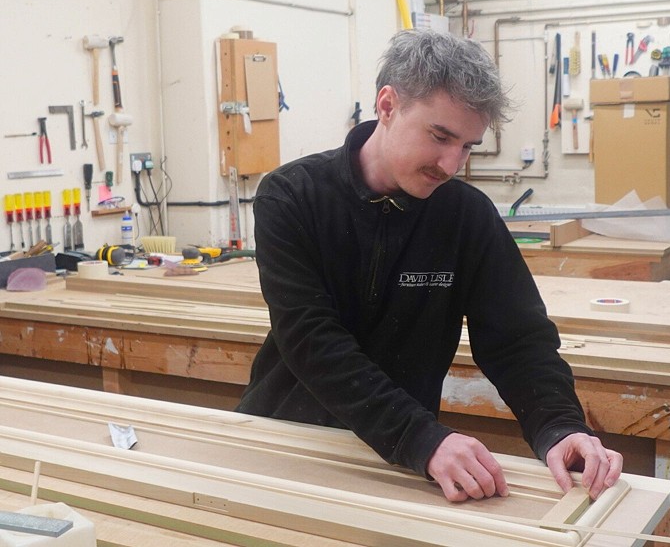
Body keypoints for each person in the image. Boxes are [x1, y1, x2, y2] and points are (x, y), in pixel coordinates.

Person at [236, 29, 623, 502]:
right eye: (440, 136)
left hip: (397, 458)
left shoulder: (466, 217)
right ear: (387, 105)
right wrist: (422, 438)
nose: (450, 163)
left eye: (467, 146)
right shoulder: (293, 196)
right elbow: (312, 339)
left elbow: (517, 339)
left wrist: (559, 426)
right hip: (290, 442)